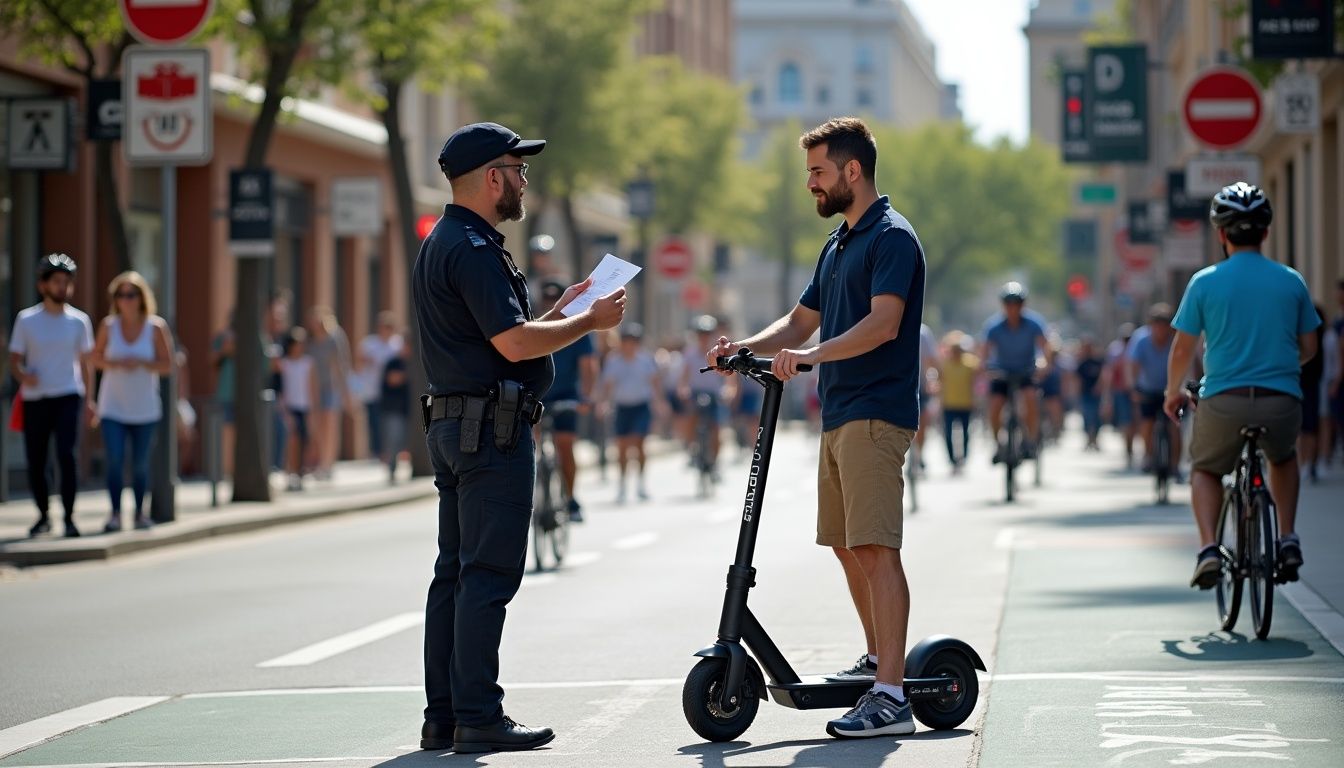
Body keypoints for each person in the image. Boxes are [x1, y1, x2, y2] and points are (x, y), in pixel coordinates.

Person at [708, 117, 925, 738]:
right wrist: (741, 348)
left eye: (818, 171)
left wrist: (810, 358)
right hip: (839, 413)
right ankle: (878, 655)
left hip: (877, 413)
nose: (810, 184)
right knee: (845, 544)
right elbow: (801, 322)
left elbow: (883, 325)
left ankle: (891, 695)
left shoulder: (892, 239)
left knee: (877, 547)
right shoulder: (838, 244)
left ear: (852, 171)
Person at [413, 121, 626, 754]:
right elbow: (510, 343)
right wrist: (587, 322)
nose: (524, 180)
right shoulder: (474, 247)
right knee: (487, 574)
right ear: (489, 178)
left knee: (454, 573)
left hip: (460, 424)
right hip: (490, 432)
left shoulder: (449, 240)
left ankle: (444, 716)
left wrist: (561, 313)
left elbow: (501, 335)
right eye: (517, 168)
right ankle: (478, 714)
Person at [1164, 182, 1319, 590]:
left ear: (1221, 234)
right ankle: (1287, 538)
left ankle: (1210, 549)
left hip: (1224, 401)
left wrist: (1173, 391)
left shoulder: (1204, 282)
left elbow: (1182, 348)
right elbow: (1310, 346)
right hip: (1280, 400)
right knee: (1282, 458)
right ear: (1265, 232)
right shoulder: (1291, 281)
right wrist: (1281, 368)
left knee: (1206, 468)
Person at [8, 254, 95, 538]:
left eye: (66, 282)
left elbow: (86, 363)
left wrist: (90, 400)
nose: (63, 287)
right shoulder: (27, 319)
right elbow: (14, 359)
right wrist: (23, 375)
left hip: (69, 394)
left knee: (66, 456)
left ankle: (69, 517)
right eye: (57, 281)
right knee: (37, 460)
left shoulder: (79, 321)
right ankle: (43, 514)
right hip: (35, 398)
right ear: (43, 284)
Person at [91, 271, 175, 532]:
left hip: (144, 408)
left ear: (141, 297)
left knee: (139, 463)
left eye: (131, 294)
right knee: (115, 458)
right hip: (113, 405)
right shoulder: (108, 325)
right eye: (120, 295)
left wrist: (142, 363)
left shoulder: (156, 327)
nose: (126, 300)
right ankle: (115, 513)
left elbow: (168, 365)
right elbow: (94, 358)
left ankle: (140, 513)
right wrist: (114, 363)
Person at [539, 280, 598, 521]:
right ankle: (533, 498)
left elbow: (587, 367)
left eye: (556, 299)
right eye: (547, 300)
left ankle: (571, 498)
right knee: (529, 448)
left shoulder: (576, 327)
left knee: (565, 445)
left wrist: (586, 396)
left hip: (566, 397)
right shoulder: (537, 324)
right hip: (539, 395)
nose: (551, 304)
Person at [980, 282, 1048, 463]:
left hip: (1026, 371)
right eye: (1008, 304)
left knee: (1030, 398)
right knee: (995, 406)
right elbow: (985, 352)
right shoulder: (993, 326)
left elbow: (1044, 348)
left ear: (1022, 305)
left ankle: (1030, 441)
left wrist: (1043, 364)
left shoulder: (1034, 323)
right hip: (1002, 372)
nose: (1012, 308)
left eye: (1016, 303)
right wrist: (984, 367)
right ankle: (998, 445)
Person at [599, 323, 661, 503]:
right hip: (622, 407)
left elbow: (654, 383)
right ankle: (622, 485)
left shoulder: (645, 360)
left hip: (641, 406)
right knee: (622, 447)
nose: (629, 345)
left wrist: (659, 402)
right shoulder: (613, 361)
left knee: (639, 443)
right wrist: (604, 403)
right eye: (626, 341)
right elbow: (608, 385)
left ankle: (641, 483)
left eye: (633, 341)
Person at [1129, 304, 1180, 476]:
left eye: (1164, 324)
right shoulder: (1141, 340)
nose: (1160, 329)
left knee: (1174, 425)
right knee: (1147, 422)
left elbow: (1187, 363)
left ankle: (1175, 465)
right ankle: (1148, 455)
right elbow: (1133, 366)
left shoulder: (1177, 339)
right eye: (1156, 324)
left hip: (1171, 389)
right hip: (1148, 389)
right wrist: (1134, 387)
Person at [680, 315, 731, 477]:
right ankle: (691, 449)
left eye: (707, 333)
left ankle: (714, 462)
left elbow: (732, 378)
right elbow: (684, 376)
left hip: (715, 395)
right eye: (701, 333)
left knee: (716, 429)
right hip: (696, 393)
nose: (704, 337)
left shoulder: (721, 353)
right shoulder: (689, 353)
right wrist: (683, 389)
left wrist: (729, 391)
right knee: (690, 418)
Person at [306, 307, 353, 480]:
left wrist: (346, 392)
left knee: (329, 425)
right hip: (314, 388)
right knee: (316, 426)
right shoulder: (310, 341)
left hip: (331, 387)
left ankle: (327, 464)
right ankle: (318, 461)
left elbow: (341, 366)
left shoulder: (334, 337)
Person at [356, 311, 404, 462]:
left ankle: (390, 452)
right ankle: (377, 452)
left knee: (390, 422)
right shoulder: (369, 344)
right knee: (374, 422)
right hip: (372, 390)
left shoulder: (398, 344)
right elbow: (358, 365)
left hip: (391, 393)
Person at [276, 328, 317, 491]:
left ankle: (301, 472)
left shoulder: (308, 363)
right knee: (291, 440)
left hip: (304, 406)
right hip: (289, 407)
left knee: (305, 441)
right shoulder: (284, 363)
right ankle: (290, 472)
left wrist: (314, 409)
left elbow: (313, 387)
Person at [939, 331, 979, 472]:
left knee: (966, 433)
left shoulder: (970, 363)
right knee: (948, 434)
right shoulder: (944, 364)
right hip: (949, 404)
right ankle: (952, 460)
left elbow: (977, 377)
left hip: (965, 404)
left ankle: (964, 458)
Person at [1298, 304, 1326, 483]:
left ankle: (1307, 463)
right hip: (1304, 380)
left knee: (1305, 427)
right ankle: (1306, 464)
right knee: (1307, 427)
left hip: (1303, 381)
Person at [1103, 322, 1137, 466]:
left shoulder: (1138, 347)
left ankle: (1132, 446)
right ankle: (1128, 448)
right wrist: (1107, 396)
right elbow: (1109, 373)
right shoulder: (1115, 351)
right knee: (1126, 421)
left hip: (1137, 390)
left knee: (1137, 420)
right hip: (1121, 391)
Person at [379, 343, 410, 483]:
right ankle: (392, 469)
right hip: (393, 409)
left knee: (401, 440)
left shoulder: (414, 362)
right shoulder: (394, 363)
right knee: (393, 441)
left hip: (409, 409)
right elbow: (392, 379)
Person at [1074, 336, 1105, 451]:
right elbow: (1077, 380)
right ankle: (1088, 439)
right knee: (1086, 417)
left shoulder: (1098, 361)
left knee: (1097, 417)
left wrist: (1100, 387)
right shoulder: (1081, 363)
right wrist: (1077, 394)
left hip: (1096, 394)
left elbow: (1103, 376)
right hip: (1085, 394)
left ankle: (1095, 439)